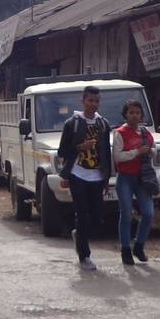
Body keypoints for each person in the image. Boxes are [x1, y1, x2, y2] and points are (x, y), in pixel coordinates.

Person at [56, 85, 112, 272]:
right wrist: (80, 147)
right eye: (90, 100)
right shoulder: (72, 123)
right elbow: (62, 151)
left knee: (97, 217)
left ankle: (78, 235)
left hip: (97, 176)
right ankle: (84, 256)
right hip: (77, 174)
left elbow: (106, 153)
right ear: (83, 101)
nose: (93, 104)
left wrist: (106, 179)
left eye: (97, 101)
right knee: (83, 215)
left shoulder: (103, 124)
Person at [110, 98, 154, 266]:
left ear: (141, 115)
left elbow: (152, 150)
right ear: (125, 115)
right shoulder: (120, 133)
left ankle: (139, 245)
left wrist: (151, 152)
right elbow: (118, 157)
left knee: (149, 214)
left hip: (143, 178)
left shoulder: (145, 133)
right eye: (131, 113)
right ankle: (126, 249)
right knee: (127, 214)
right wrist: (137, 152)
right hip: (126, 178)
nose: (134, 116)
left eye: (137, 112)